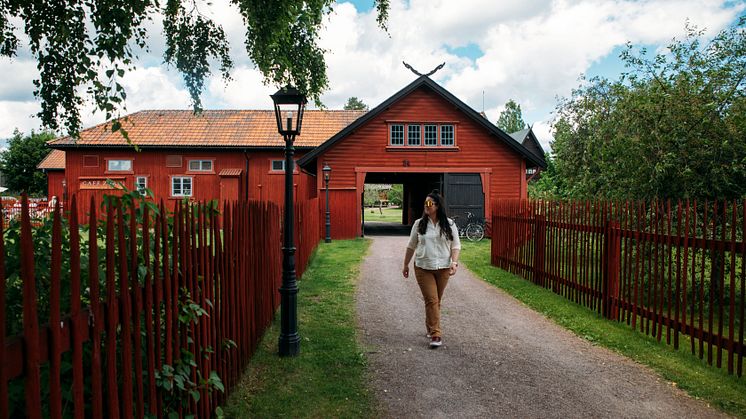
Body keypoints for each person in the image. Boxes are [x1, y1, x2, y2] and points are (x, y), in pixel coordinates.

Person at [402, 189, 461, 348]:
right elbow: (411, 246)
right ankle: (436, 335)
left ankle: (430, 326)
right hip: (423, 267)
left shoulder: (449, 224)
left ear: (437, 206)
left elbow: (455, 246)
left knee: (435, 301)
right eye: (425, 203)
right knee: (432, 300)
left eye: (430, 203)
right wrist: (405, 264)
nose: (426, 206)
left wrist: (454, 263)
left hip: (443, 268)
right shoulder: (418, 224)